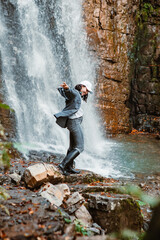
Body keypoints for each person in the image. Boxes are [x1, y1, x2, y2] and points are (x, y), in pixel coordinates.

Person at [54, 81, 93, 176]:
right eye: (86, 89)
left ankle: (69, 167)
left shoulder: (78, 95)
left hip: (75, 122)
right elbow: (70, 92)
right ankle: (62, 166)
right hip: (74, 122)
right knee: (80, 147)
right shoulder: (75, 93)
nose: (86, 92)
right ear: (82, 86)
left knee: (72, 147)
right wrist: (67, 88)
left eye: (88, 91)